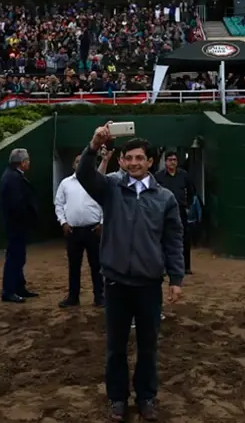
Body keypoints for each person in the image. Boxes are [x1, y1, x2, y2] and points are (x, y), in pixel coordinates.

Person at [76, 123, 184, 423]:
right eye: (129, 158)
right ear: (122, 161)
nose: (134, 163)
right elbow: (84, 176)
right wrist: (94, 145)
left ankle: (146, 397)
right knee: (116, 348)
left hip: (149, 285)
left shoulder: (165, 198)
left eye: (140, 158)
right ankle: (118, 399)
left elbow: (173, 240)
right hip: (116, 283)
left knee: (148, 348)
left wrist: (176, 279)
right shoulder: (110, 187)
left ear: (150, 161)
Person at [55, 154, 104, 308]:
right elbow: (59, 204)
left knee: (97, 265)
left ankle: (99, 296)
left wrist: (102, 223)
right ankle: (73, 297)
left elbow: (106, 203)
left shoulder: (98, 183)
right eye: (77, 161)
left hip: (93, 230)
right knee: (74, 265)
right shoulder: (65, 183)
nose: (80, 164)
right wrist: (63, 222)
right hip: (73, 231)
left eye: (83, 161)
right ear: (73, 165)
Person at [0, 148, 40, 303]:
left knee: (18, 256)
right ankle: (9, 291)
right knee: (15, 257)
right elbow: (17, 204)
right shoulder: (12, 178)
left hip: (15, 225)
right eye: (27, 160)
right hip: (16, 225)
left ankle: (18, 287)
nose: (29, 163)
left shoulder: (12, 176)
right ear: (22, 162)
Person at [154, 150, 196, 274]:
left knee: (184, 237)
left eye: (175, 160)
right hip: (163, 211)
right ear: (165, 162)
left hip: (180, 210)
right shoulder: (158, 176)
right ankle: (163, 266)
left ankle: (186, 266)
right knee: (162, 237)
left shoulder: (184, 175)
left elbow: (191, 191)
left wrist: (188, 206)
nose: (172, 162)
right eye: (170, 160)